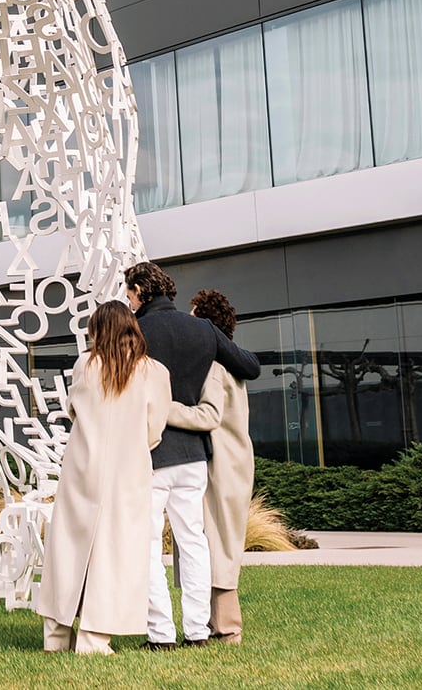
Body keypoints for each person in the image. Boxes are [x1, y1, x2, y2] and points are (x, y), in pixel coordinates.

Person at [127, 260, 260, 647]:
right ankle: (198, 632)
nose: (128, 300)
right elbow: (249, 366)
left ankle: (161, 634)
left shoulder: (135, 331)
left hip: (150, 453)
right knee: (195, 542)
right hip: (194, 458)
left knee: (151, 545)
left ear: (139, 291)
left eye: (129, 293)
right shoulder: (203, 330)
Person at [34, 300, 172, 654]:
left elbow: (72, 408)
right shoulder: (153, 372)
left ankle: (57, 635)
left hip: (82, 468)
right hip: (128, 473)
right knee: (116, 553)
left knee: (67, 550)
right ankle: (95, 638)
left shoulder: (86, 364)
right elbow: (154, 429)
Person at [165, 289, 256, 644]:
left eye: (192, 316)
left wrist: (163, 408)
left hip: (220, 463)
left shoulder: (215, 369)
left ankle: (226, 628)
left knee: (214, 542)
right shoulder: (232, 366)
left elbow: (208, 416)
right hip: (232, 461)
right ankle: (218, 626)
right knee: (218, 541)